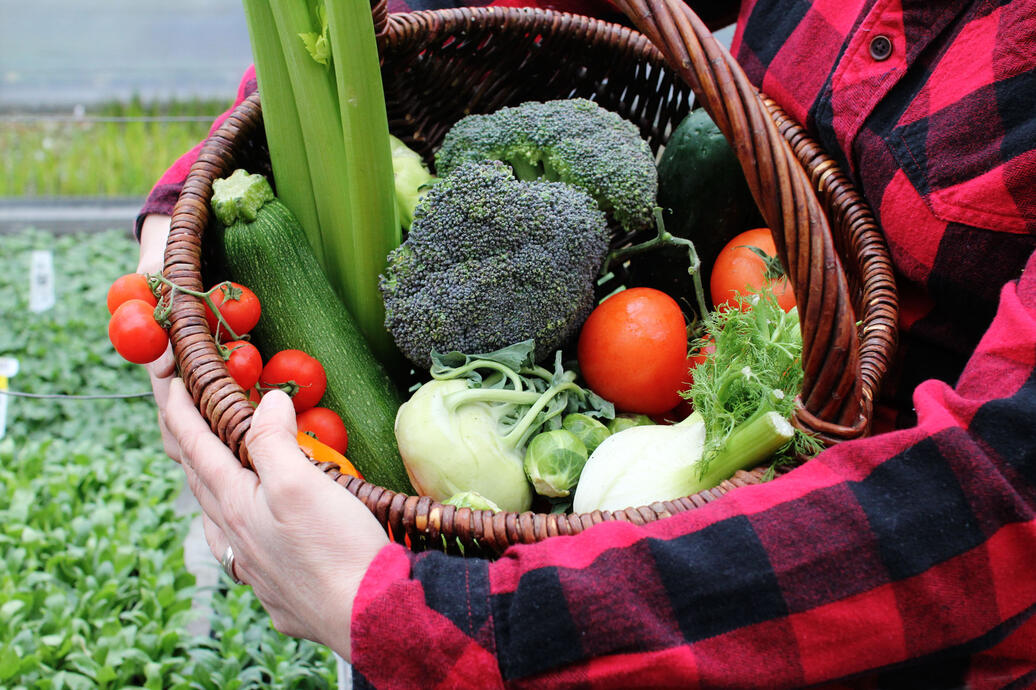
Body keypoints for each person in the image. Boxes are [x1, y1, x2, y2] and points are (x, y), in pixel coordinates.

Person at [138, 0, 1036, 686]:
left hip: (827, 618)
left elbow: (994, 495)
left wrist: (416, 616)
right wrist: (213, 186)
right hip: (689, 373)